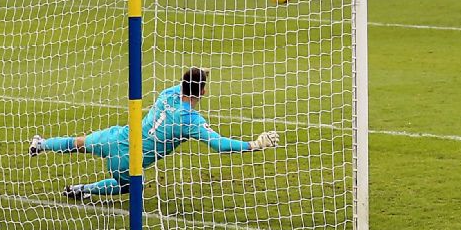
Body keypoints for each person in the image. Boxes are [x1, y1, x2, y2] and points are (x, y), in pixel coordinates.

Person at [30, 68, 279, 199]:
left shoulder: (167, 94)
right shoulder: (191, 121)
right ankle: (82, 189)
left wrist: (198, 75)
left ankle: (41, 145)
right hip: (128, 162)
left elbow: (186, 83)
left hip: (117, 138)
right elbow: (219, 145)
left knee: (79, 143)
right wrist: (254, 144)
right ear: (202, 92)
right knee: (130, 188)